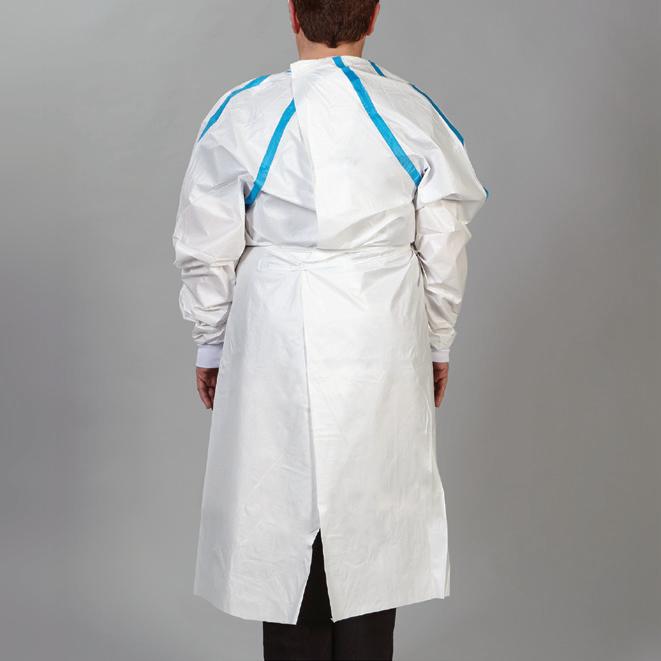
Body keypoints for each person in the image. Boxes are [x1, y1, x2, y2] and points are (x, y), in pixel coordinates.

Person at [172, 0, 488, 658]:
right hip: (381, 331)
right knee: (372, 507)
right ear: (373, 17)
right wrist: (437, 340)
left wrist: (211, 340)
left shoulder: (243, 113)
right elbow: (445, 243)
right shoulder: (412, 114)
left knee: (280, 502)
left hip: (274, 333)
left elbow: (207, 242)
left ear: (292, 13)